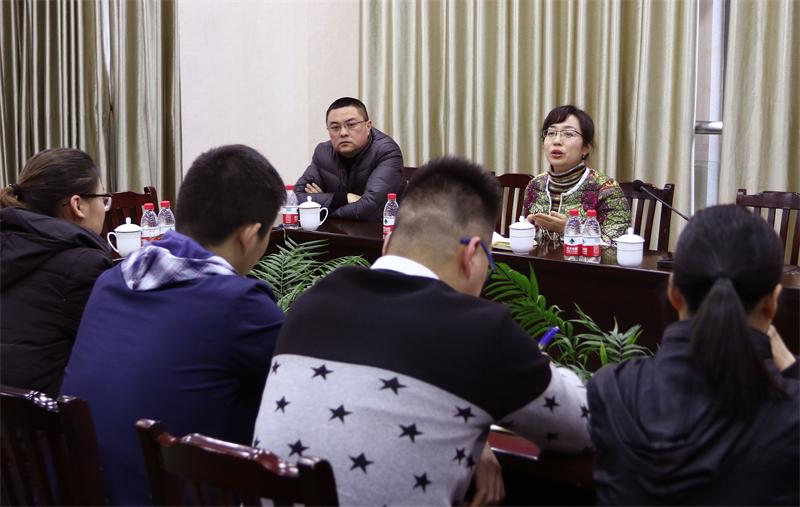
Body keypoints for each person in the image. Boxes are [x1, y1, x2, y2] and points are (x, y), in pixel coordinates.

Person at [252, 157, 593, 506]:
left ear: (387, 244)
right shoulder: (479, 330)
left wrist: (471, 437)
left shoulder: (313, 301)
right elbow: (584, 425)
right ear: (472, 255)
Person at [61, 145, 287, 505]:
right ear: (249, 235)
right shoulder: (240, 305)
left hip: (79, 492)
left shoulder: (112, 280)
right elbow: (299, 392)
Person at [588, 204, 799, 505]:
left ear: (674, 292)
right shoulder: (791, 411)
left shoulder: (611, 389)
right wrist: (791, 366)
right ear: (772, 302)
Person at [0, 148, 112, 396]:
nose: (105, 208)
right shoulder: (84, 265)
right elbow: (113, 352)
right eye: (103, 198)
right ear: (77, 205)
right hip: (47, 416)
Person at [523, 105, 630, 243]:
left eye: (568, 134)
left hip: (585, 259)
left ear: (586, 148)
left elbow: (616, 245)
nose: (557, 141)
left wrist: (570, 230)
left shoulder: (606, 188)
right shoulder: (535, 185)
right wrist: (528, 230)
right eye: (551, 133)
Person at [294, 97, 405, 221]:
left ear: (368, 126)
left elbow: (368, 209)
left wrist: (323, 208)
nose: (343, 133)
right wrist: (344, 198)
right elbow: (294, 199)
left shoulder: (386, 152)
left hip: (381, 230)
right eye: (335, 127)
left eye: (351, 125)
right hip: (334, 230)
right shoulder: (323, 153)